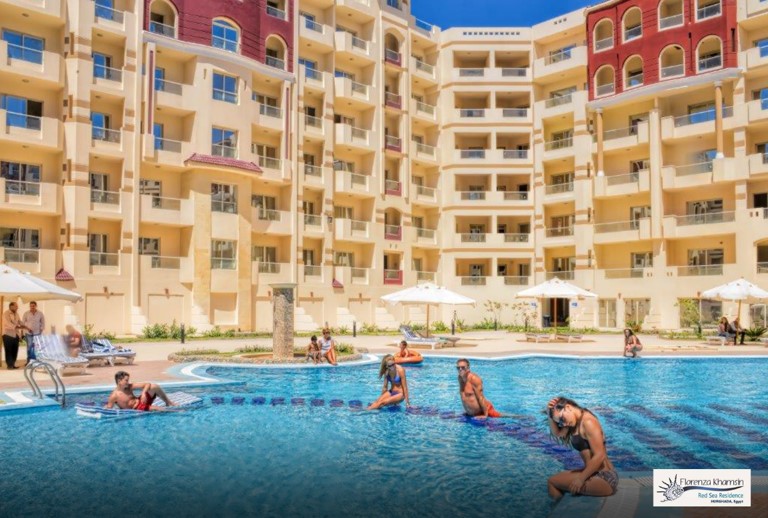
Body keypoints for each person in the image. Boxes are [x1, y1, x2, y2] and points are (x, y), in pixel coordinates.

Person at [545, 396, 618, 500]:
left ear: (568, 407)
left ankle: (559, 509)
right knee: (555, 480)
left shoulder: (588, 422)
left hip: (604, 477)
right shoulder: (575, 421)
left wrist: (580, 479)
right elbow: (558, 433)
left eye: (562, 419)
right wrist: (549, 414)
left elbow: (600, 455)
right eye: (560, 422)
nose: (563, 424)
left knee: (552, 482)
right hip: (594, 474)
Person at [106, 371, 177, 411]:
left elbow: (147, 384)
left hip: (142, 401)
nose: (128, 382)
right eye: (126, 380)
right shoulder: (114, 396)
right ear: (119, 381)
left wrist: (143, 393)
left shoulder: (129, 386)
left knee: (154, 386)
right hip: (137, 408)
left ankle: (168, 402)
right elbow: (109, 409)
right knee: (158, 408)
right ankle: (176, 411)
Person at [2, 302, 23, 369]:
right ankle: (9, 365)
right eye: (16, 306)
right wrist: (16, 326)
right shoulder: (6, 314)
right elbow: (7, 323)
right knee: (8, 350)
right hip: (7, 334)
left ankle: (13, 364)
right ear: (11, 307)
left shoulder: (17, 314)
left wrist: (24, 326)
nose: (17, 307)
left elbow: (20, 322)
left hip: (16, 334)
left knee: (15, 350)